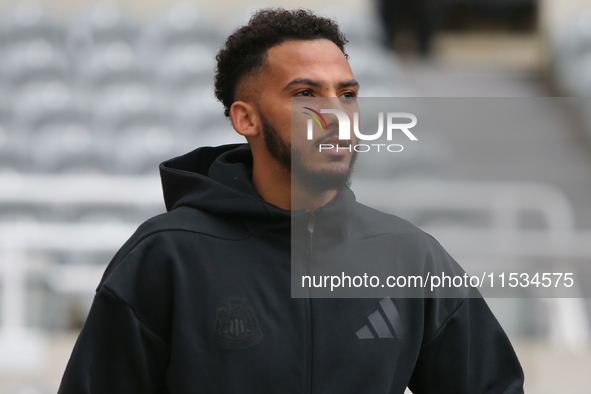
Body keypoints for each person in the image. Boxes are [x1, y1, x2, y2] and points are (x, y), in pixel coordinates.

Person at [58, 8, 524, 393]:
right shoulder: (167, 256)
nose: (336, 116)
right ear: (246, 118)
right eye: (306, 94)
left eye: (347, 95)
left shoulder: (410, 256)